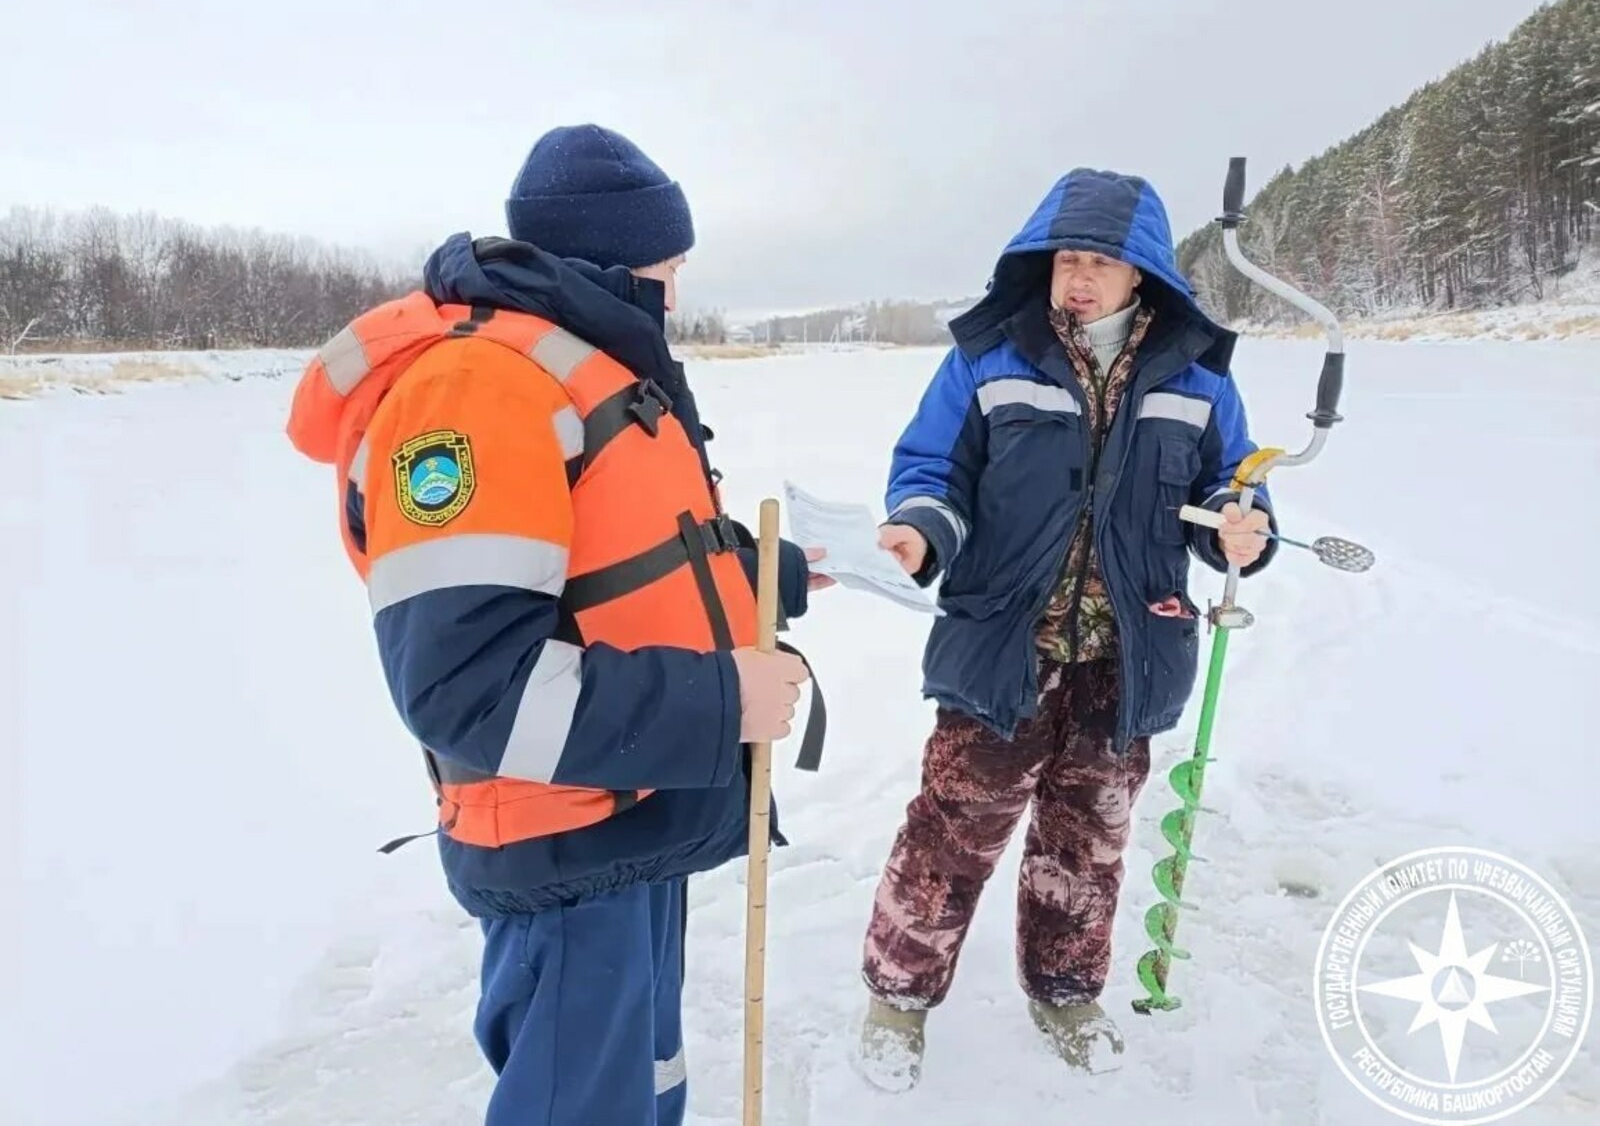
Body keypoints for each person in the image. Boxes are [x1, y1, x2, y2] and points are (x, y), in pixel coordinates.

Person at [286, 123, 830, 1126]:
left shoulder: (584, 367)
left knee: (642, 1093)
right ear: (616, 262)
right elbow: (466, 686)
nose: (676, 289)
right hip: (564, 840)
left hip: (634, 802)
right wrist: (725, 699)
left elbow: (620, 555)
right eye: (668, 267)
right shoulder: (479, 392)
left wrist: (775, 573)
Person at [857, 167, 1277, 1087]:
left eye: (1103, 261)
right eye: (1068, 257)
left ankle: (1065, 989)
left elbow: (1231, 486)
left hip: (1128, 655)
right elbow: (932, 467)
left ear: (1145, 275)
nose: (1078, 276)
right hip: (1005, 644)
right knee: (950, 833)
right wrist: (920, 527)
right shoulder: (990, 355)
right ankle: (897, 997)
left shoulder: (1198, 376)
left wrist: (1246, 523)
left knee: (1089, 839)